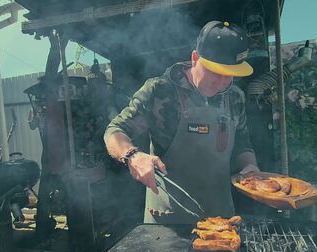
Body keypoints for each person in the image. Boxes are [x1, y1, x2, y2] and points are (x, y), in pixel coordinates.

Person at [104, 20, 259, 224]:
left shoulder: (235, 97)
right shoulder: (160, 91)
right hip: (168, 221)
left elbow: (242, 143)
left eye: (230, 75)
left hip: (222, 219)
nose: (223, 82)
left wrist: (250, 167)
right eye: (217, 72)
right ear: (195, 58)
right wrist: (132, 155)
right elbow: (114, 131)